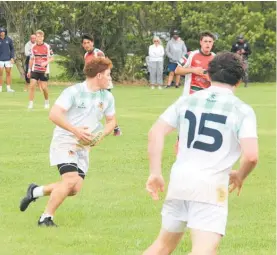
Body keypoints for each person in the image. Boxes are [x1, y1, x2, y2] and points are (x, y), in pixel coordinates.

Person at [143, 52, 258, 255]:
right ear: (239, 81)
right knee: (204, 250)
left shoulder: (187, 101)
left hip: (179, 181)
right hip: (211, 187)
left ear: (208, 74)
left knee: (162, 246)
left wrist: (155, 172)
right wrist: (240, 175)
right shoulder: (242, 110)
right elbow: (251, 156)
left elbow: (155, 131)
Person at [19, 57, 117, 227]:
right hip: (65, 141)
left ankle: (35, 191)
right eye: (108, 74)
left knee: (73, 188)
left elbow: (111, 122)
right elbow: (54, 115)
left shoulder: (107, 97)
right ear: (99, 75)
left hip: (84, 146)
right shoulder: (74, 92)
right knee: (70, 180)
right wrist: (76, 130)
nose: (110, 78)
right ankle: (45, 218)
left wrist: (101, 135)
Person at [82, 34, 122, 136]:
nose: (86, 45)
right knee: (94, 105)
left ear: (92, 43)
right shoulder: (86, 55)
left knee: (103, 107)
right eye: (84, 43)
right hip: (94, 85)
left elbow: (104, 68)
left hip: (103, 85)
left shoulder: (98, 53)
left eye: (88, 42)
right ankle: (113, 127)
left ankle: (115, 127)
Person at [175, 31, 216, 96]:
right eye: (205, 41)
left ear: (213, 43)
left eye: (210, 42)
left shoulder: (216, 58)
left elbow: (218, 79)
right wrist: (193, 70)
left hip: (207, 95)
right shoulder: (190, 54)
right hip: (190, 95)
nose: (208, 44)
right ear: (201, 42)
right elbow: (177, 70)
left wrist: (208, 77)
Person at [27, 30, 54, 110]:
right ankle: (30, 104)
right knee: (32, 85)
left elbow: (52, 58)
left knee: (44, 88)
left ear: (43, 37)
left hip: (44, 70)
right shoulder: (33, 47)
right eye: (37, 36)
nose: (38, 38)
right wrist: (29, 70)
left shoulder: (47, 46)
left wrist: (46, 62)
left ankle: (46, 101)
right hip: (35, 69)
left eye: (39, 36)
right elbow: (31, 59)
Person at [0, 27, 15, 92]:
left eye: (3, 32)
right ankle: (0, 88)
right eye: (1, 32)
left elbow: (12, 49)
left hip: (8, 59)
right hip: (0, 59)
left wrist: (12, 57)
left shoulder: (9, 39)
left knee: (8, 73)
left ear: (5, 32)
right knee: (0, 74)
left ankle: (8, 88)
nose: (2, 33)